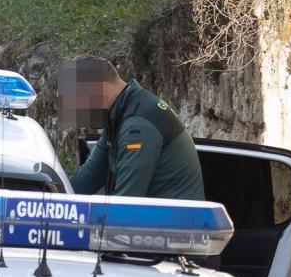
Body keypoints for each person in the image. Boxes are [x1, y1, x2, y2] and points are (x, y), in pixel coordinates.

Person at [61, 55, 205, 199]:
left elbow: (126, 203)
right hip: (155, 217)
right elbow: (86, 179)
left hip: (173, 219)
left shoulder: (137, 126)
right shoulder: (119, 116)